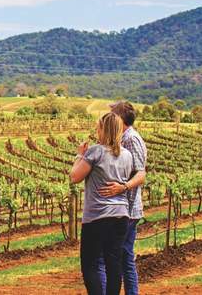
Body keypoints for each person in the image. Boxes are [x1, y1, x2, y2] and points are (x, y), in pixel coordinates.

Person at [70, 112, 138, 295]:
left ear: (104, 130)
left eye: (98, 128)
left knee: (90, 264)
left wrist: (79, 155)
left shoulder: (96, 151)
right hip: (121, 216)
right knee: (113, 264)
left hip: (97, 216)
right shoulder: (127, 155)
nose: (96, 131)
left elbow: (74, 177)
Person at [97, 101, 149, 295]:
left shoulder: (131, 139)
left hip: (127, 208)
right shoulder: (123, 138)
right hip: (122, 208)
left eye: (112, 114)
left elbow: (140, 174)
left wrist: (123, 187)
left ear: (119, 119)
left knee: (113, 256)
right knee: (124, 256)